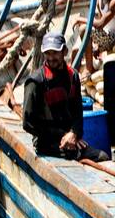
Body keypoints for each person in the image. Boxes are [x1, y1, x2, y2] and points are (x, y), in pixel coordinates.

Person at [22, 32, 109, 162]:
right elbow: (28, 123)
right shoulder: (35, 82)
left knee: (103, 156)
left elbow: (77, 111)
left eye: (55, 53)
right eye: (48, 53)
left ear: (64, 51)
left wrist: (74, 133)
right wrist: (63, 135)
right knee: (73, 157)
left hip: (71, 138)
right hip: (47, 142)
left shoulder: (73, 76)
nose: (51, 58)